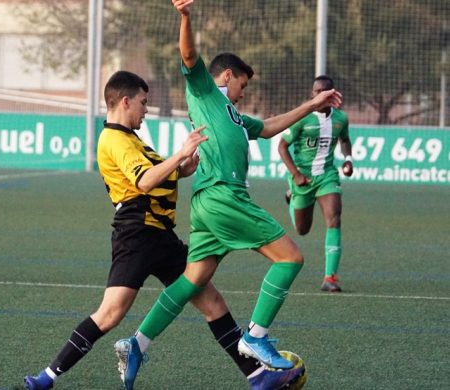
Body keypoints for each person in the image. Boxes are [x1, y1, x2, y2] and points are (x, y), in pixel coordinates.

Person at [24, 70, 303, 390]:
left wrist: (184, 167)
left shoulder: (132, 139)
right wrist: (179, 155)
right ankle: (47, 377)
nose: (146, 109)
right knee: (110, 313)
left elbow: (159, 175)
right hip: (137, 236)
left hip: (162, 236)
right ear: (125, 101)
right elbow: (144, 181)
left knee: (212, 302)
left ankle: (257, 377)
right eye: (143, 103)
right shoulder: (113, 139)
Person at [115, 0, 342, 385]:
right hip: (224, 195)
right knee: (290, 258)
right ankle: (255, 336)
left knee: (192, 280)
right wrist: (185, 18)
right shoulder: (206, 92)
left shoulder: (235, 116)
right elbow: (187, 55)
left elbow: (269, 128)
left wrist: (312, 104)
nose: (242, 93)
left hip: (206, 203)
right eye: (242, 85)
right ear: (228, 75)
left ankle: (137, 343)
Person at [278, 75, 353, 292]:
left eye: (323, 91)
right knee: (302, 229)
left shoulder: (341, 118)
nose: (317, 95)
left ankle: (330, 278)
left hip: (327, 176)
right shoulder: (303, 118)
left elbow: (345, 140)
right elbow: (282, 146)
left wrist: (348, 160)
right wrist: (295, 175)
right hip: (303, 178)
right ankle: (291, 198)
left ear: (331, 94)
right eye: (315, 92)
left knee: (334, 218)